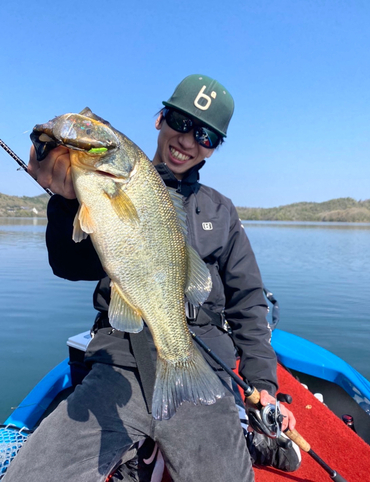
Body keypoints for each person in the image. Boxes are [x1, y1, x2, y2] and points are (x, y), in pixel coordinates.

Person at [4, 74, 300, 482]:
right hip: (119, 361)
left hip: (202, 363)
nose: (188, 140)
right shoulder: (97, 182)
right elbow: (68, 265)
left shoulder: (222, 211)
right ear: (160, 118)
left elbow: (248, 301)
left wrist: (262, 381)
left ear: (214, 149)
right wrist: (61, 199)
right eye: (180, 122)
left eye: (206, 136)